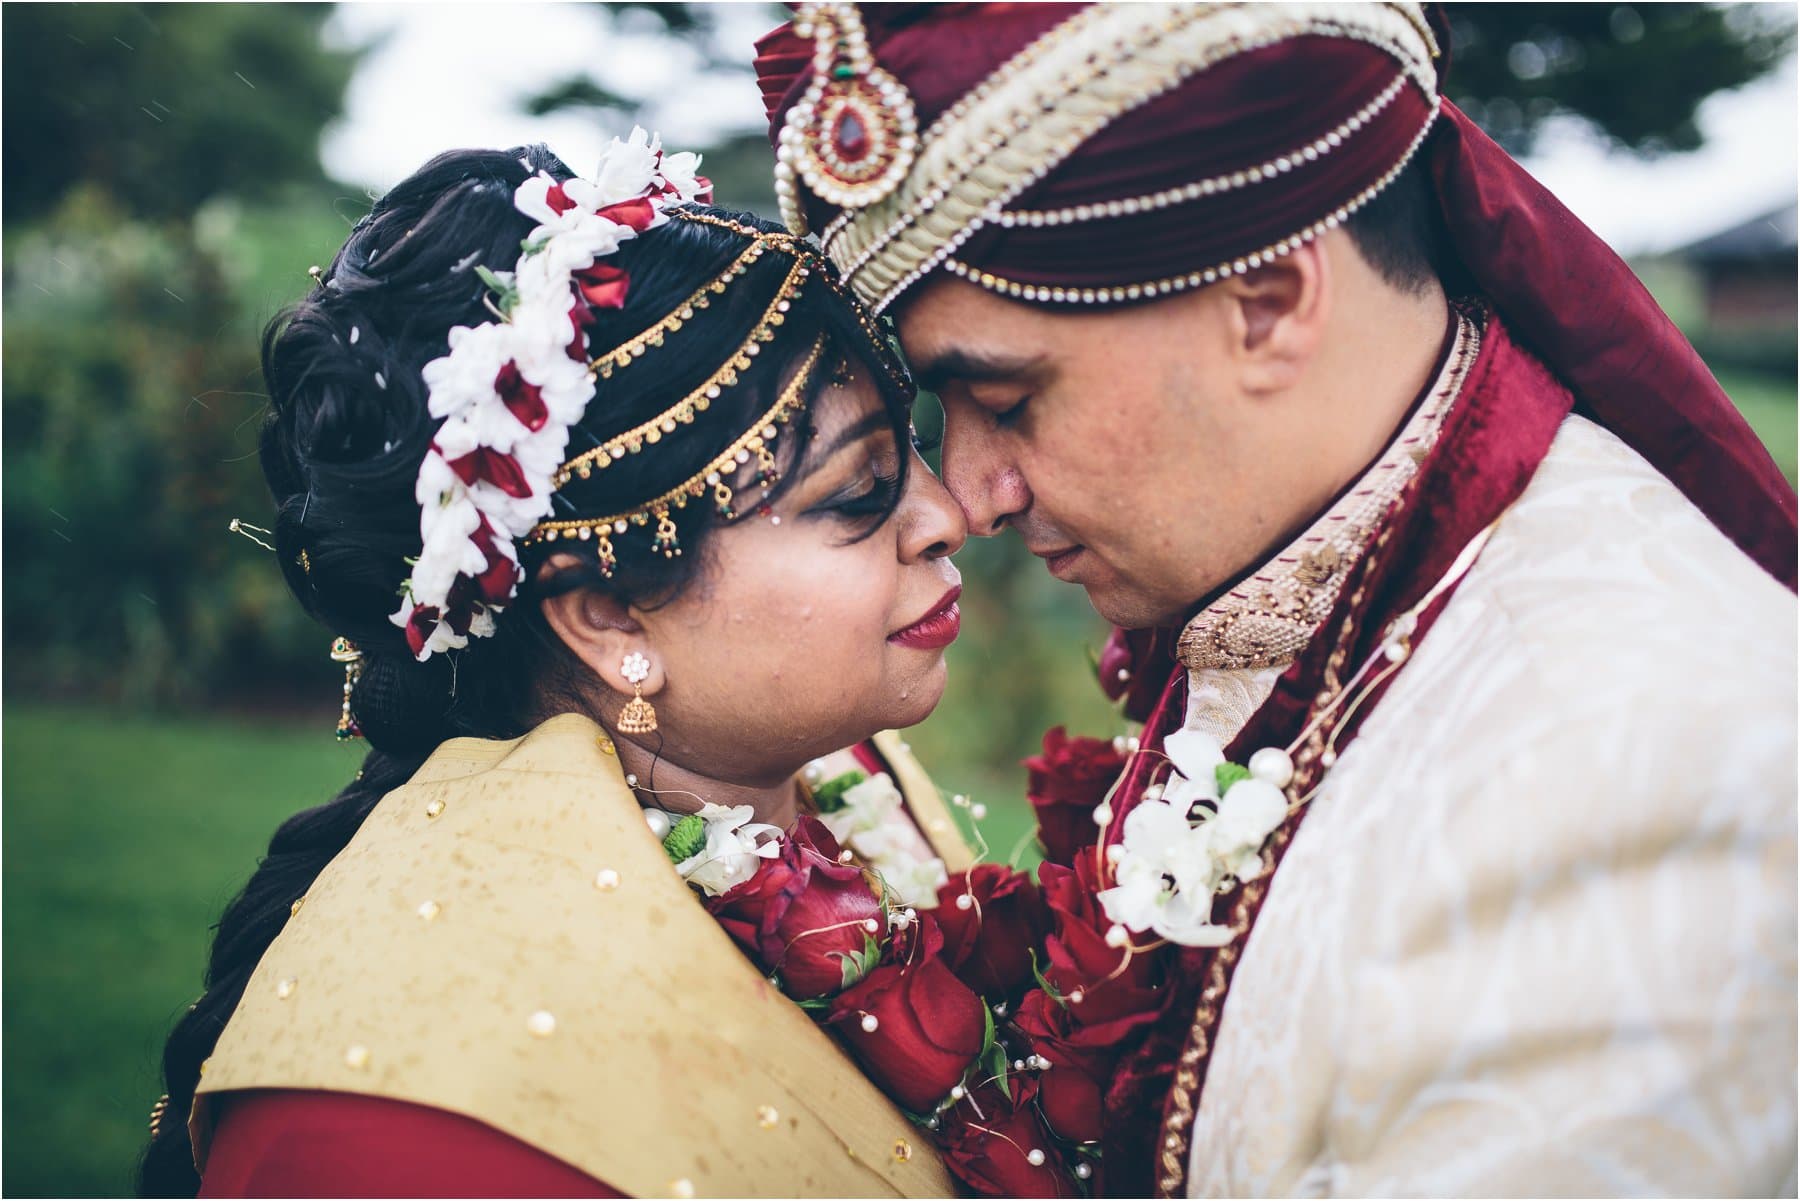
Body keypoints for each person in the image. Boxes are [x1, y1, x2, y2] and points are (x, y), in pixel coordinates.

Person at [756, 2, 1798, 1196]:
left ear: (1267, 299)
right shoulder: (1305, 597)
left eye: (1007, 394)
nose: (973, 495)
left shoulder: (1645, 786)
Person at [137, 138, 978, 1197]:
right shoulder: (422, 1114)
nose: (949, 514)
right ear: (607, 613)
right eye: (858, 492)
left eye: (915, 450)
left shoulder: (852, 787)